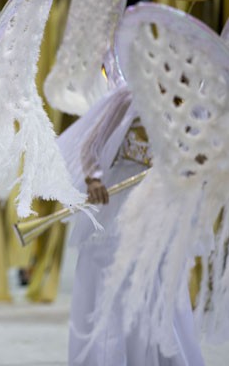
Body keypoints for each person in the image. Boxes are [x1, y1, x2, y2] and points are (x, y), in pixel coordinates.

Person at [61, 81, 204, 365]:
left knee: (158, 280)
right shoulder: (127, 98)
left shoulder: (192, 106)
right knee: (109, 275)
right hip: (117, 202)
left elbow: (200, 159)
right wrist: (93, 178)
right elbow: (92, 145)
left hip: (162, 202)